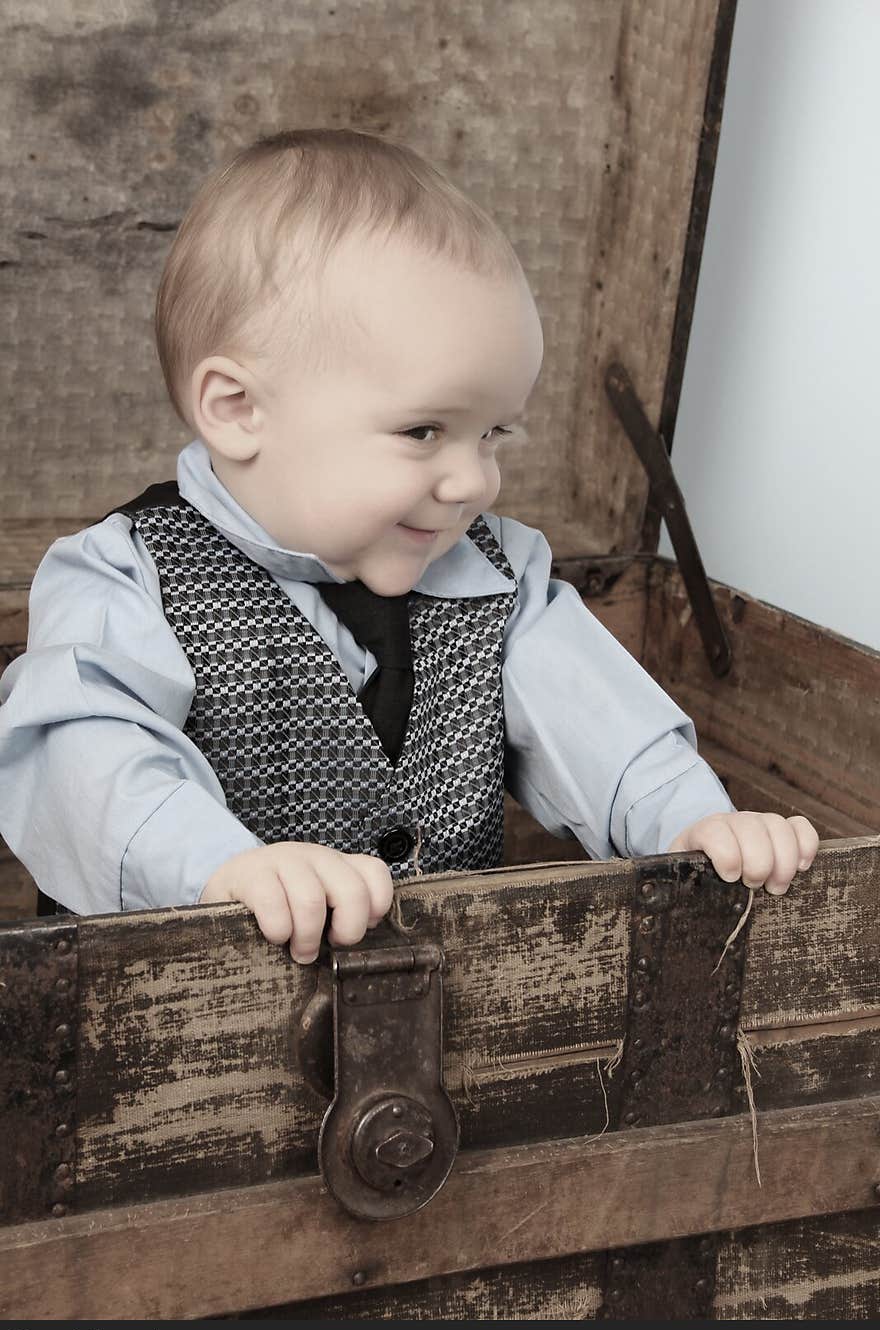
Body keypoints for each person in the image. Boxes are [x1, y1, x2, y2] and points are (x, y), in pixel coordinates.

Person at [0, 129, 819, 962]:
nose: (475, 482)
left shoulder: (502, 579)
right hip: (171, 1032)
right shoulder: (124, 577)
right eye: (423, 429)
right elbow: (84, 759)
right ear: (239, 410)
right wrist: (219, 867)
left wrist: (691, 818)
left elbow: (604, 726)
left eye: (494, 432)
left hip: (458, 1020)